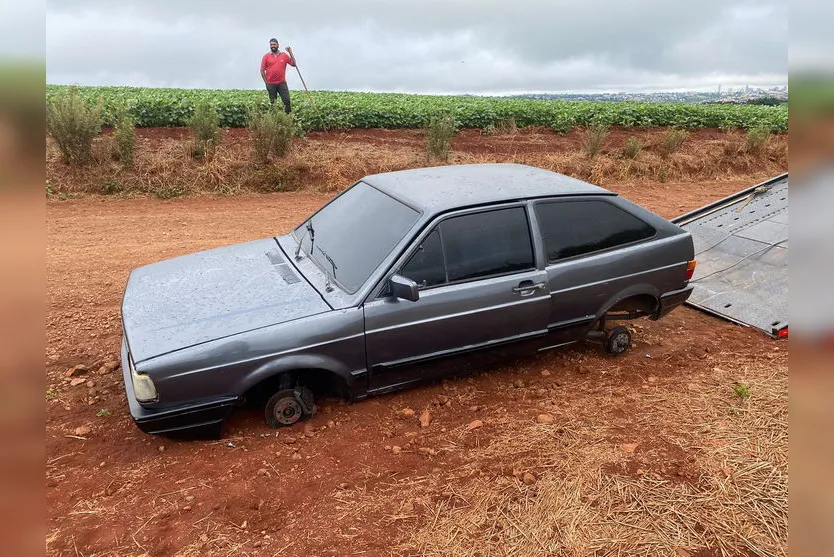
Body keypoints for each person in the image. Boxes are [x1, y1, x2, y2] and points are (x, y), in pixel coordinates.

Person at [260, 38, 296, 113]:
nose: (272, 46)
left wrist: (290, 52)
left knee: (287, 101)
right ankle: (275, 119)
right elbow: (262, 70)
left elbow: (293, 64)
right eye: (271, 45)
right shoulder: (266, 56)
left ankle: (288, 117)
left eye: (274, 44)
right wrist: (266, 83)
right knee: (273, 103)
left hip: (282, 83)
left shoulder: (284, 55)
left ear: (278, 45)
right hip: (271, 84)